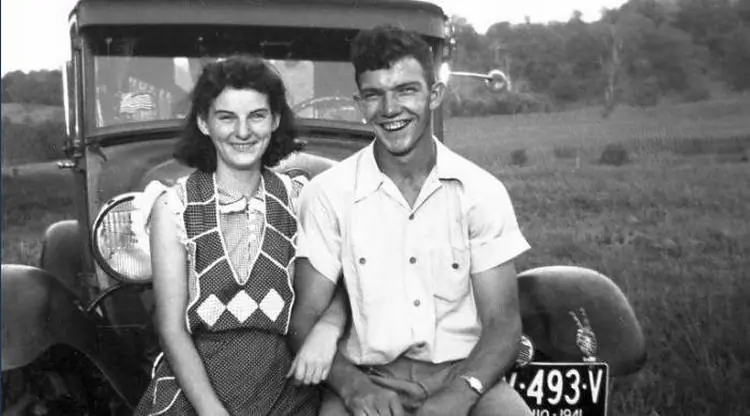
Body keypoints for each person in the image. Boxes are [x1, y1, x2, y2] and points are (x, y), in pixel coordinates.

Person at [289, 25, 534, 416]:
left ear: (434, 95)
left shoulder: (480, 192)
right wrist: (353, 388)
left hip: (463, 374)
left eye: (406, 90)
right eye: (374, 95)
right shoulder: (328, 194)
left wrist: (459, 396)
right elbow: (303, 318)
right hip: (370, 376)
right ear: (359, 104)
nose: (390, 109)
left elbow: (503, 324)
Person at [133, 55, 344, 416]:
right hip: (197, 393)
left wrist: (329, 326)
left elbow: (345, 280)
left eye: (257, 116)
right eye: (226, 117)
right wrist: (212, 411)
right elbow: (171, 328)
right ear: (204, 122)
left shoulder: (297, 198)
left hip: (283, 390)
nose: (243, 132)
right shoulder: (174, 207)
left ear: (275, 120)